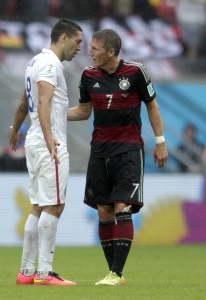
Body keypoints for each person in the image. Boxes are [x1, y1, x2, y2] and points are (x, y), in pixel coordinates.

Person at [68, 29, 168, 286]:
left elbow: (152, 106)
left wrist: (160, 142)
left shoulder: (136, 72)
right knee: (103, 210)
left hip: (128, 149)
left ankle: (116, 273)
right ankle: (113, 272)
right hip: (100, 151)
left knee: (123, 207)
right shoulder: (88, 76)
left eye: (96, 49)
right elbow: (83, 111)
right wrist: (51, 113)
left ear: (111, 52)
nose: (90, 53)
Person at [9, 19, 82, 286]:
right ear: (63, 37)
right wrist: (51, 136)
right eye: (77, 42)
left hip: (35, 141)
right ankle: (44, 273)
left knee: (39, 205)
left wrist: (15, 128)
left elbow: (22, 101)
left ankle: (26, 272)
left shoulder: (34, 62)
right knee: (55, 204)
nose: (79, 48)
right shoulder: (51, 64)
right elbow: (43, 100)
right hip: (49, 142)